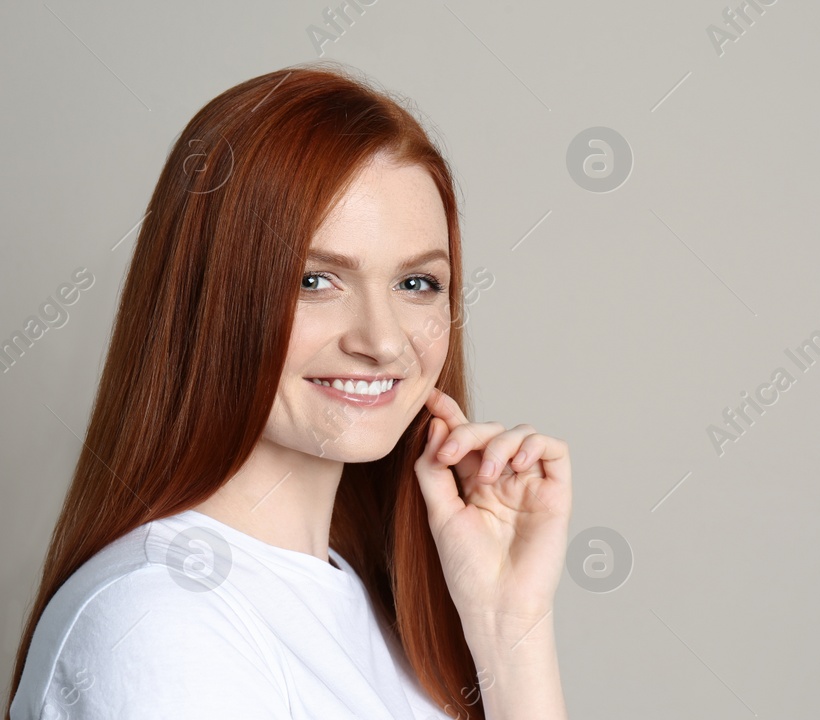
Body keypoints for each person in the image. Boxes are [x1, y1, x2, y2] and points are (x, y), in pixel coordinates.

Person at [5, 62, 572, 720]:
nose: (383, 341)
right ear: (208, 297)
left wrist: (512, 631)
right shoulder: (159, 620)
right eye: (316, 280)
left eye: (416, 284)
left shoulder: (380, 615)